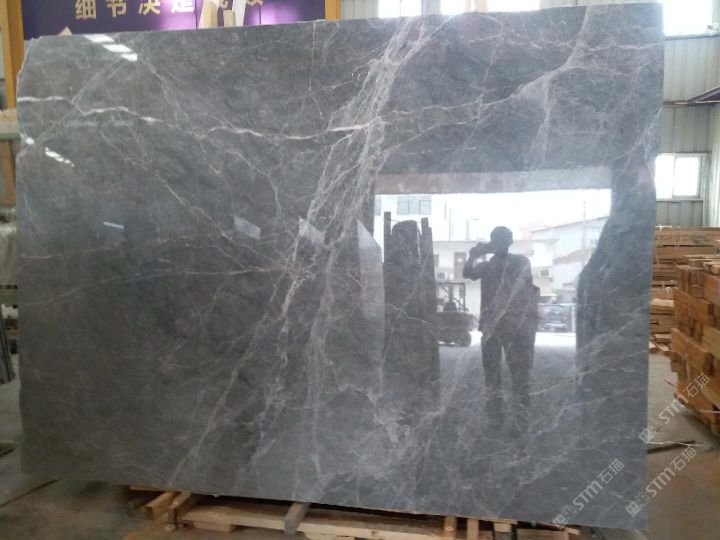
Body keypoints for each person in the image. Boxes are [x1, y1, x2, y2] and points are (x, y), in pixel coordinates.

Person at [463, 226, 538, 422]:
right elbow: (468, 273)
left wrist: (476, 255)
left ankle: (508, 417)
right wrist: (474, 255)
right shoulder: (493, 265)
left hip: (508, 325)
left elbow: (468, 272)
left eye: (501, 240)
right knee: (502, 373)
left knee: (509, 373)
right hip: (502, 326)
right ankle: (505, 416)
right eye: (498, 241)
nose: (500, 244)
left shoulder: (515, 262)